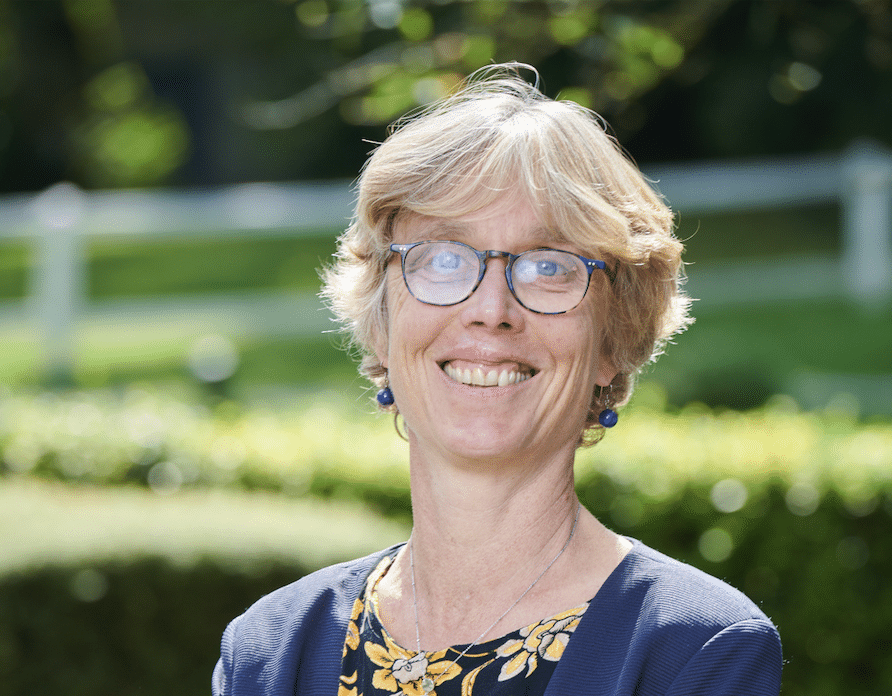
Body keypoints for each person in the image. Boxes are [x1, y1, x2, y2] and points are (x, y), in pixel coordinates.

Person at [213, 63, 782, 696]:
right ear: (382, 320)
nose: (491, 309)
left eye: (548, 267)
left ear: (612, 341)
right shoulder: (271, 652)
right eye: (444, 259)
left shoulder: (695, 651)